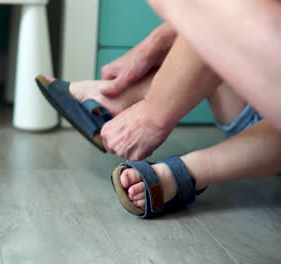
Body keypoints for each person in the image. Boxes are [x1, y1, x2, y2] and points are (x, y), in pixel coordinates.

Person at [40, 0, 281, 216]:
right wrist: (154, 44)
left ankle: (194, 169)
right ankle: (122, 99)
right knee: (224, 10)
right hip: (255, 98)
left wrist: (154, 114)